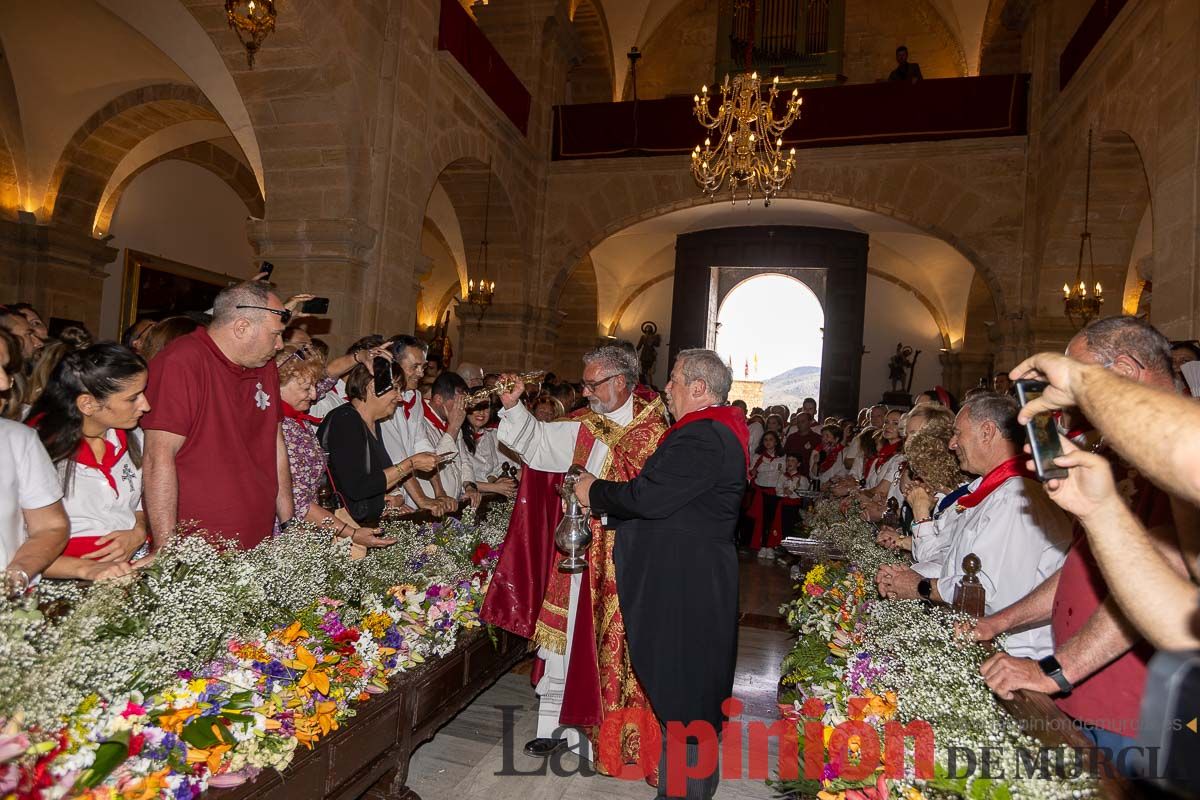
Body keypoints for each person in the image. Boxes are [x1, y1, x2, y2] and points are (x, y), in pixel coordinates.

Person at [969, 316, 1184, 767]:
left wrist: (1054, 670)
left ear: (1123, 372)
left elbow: (1155, 579)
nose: (1065, 406)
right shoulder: (1111, 454)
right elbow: (1082, 566)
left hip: (1134, 709)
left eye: (1076, 384)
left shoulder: (1180, 461)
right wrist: (996, 623)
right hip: (1079, 690)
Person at [480, 345, 669, 768]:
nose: (585, 393)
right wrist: (512, 408)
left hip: (628, 560)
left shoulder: (656, 431)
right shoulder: (585, 425)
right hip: (580, 553)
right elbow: (538, 443)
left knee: (617, 647)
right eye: (583, 383)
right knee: (563, 638)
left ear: (620, 382)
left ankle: (607, 729)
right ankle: (553, 727)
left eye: (592, 383)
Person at [573, 348, 747, 800]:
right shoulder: (709, 432)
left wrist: (595, 492)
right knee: (684, 696)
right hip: (689, 581)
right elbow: (677, 509)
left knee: (686, 696)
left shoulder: (703, 436)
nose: (665, 388)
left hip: (685, 589)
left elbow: (650, 498)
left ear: (699, 388)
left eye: (673, 380)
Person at [875, 394, 1074, 658]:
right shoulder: (989, 491)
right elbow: (954, 560)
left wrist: (921, 586)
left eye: (958, 434)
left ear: (987, 432)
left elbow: (986, 591)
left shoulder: (1017, 497)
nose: (952, 443)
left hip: (1012, 654)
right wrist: (905, 576)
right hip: (979, 640)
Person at [141, 281, 294, 549]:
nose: (280, 345)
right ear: (242, 327)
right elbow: (158, 458)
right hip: (200, 542)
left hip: (259, 535)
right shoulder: (182, 362)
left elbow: (275, 445)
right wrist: (166, 548)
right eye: (275, 334)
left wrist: (288, 524)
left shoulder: (264, 365)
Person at [28, 344, 149, 581]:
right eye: (133, 398)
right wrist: (84, 569)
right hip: (62, 578)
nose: (145, 405)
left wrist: (138, 530)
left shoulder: (136, 438)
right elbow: (15, 548)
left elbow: (139, 502)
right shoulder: (37, 450)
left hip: (130, 568)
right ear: (88, 404)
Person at [276, 344, 400, 545]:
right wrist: (351, 532)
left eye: (314, 385)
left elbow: (330, 374)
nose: (315, 394)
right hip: (291, 535)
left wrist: (361, 357)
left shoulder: (293, 417)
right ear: (276, 384)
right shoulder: (282, 431)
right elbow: (300, 504)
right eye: (306, 388)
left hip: (313, 527)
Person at [317, 364, 438, 526]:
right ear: (372, 386)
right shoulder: (346, 420)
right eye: (395, 389)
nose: (400, 397)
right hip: (343, 527)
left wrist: (383, 501)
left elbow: (368, 481)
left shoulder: (373, 423)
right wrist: (411, 463)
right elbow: (358, 487)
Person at [0, 327, 71, 592]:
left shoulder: (18, 440)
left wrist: (18, 574)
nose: (5, 383)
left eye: (6, 369)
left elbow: (51, 526)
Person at [379, 335, 456, 517]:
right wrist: (423, 500)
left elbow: (423, 447)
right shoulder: (382, 402)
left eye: (423, 366)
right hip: (388, 488)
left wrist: (440, 492)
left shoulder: (416, 397)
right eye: (415, 367)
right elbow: (397, 456)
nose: (421, 373)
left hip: (407, 485)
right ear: (394, 365)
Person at [421, 371, 474, 507]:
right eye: (458, 402)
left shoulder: (452, 422)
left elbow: (464, 461)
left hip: (453, 504)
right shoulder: (420, 421)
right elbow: (433, 462)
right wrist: (453, 428)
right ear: (439, 399)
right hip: (431, 504)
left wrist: (469, 486)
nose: (463, 408)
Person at [460, 399, 518, 499]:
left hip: (486, 497)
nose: (481, 412)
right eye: (477, 408)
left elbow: (493, 470)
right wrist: (495, 487)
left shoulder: (490, 435)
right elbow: (458, 478)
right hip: (463, 498)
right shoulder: (458, 436)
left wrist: (499, 481)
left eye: (486, 408)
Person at [747, 430, 785, 557]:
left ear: (776, 442)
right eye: (765, 440)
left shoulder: (782, 457)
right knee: (760, 520)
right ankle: (762, 545)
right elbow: (752, 472)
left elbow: (784, 473)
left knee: (773, 520)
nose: (768, 442)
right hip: (761, 491)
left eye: (771, 440)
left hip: (775, 491)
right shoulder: (758, 456)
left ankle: (770, 546)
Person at [783, 412, 821, 479]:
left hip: (809, 475)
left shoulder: (817, 438)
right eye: (798, 422)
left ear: (810, 422)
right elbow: (785, 455)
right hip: (791, 475)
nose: (800, 424)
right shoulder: (791, 437)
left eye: (803, 421)